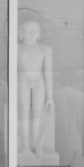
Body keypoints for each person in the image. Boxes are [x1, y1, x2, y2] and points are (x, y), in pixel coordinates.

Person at [17, 18, 52, 154]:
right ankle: (25, 145)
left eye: (35, 31)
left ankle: (36, 144)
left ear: (40, 33)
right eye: (28, 30)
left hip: (39, 79)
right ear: (21, 33)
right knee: (24, 112)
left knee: (38, 112)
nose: (32, 34)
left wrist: (50, 97)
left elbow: (48, 72)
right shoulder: (17, 48)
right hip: (22, 78)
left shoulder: (45, 49)